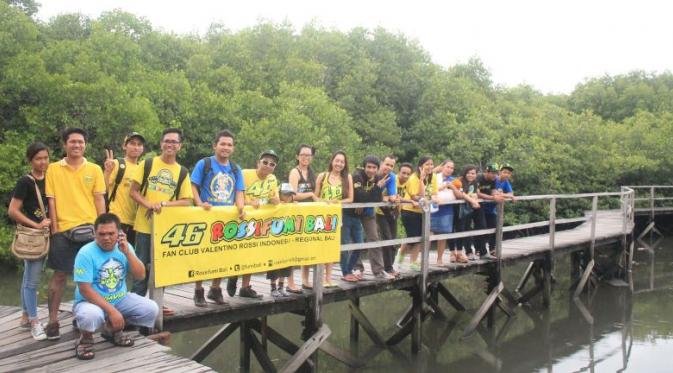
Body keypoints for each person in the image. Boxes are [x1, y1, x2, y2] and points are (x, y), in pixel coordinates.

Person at [45, 128, 106, 340]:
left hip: (90, 230)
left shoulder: (95, 169)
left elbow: (99, 200)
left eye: (80, 142)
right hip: (63, 230)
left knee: (90, 278)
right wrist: (55, 229)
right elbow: (51, 201)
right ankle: (52, 320)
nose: (77, 145)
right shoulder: (53, 169)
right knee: (60, 275)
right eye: (72, 142)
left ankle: (84, 318)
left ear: (85, 145)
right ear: (65, 144)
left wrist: (103, 228)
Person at [72, 213, 158, 360]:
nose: (106, 238)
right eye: (102, 234)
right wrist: (112, 311)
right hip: (90, 302)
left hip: (120, 299)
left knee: (151, 309)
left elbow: (141, 275)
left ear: (119, 233)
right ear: (94, 233)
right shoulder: (85, 253)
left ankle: (111, 330)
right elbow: (84, 289)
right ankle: (85, 339)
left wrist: (128, 253)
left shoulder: (124, 247)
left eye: (111, 233)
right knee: (90, 316)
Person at [129, 128, 193, 316]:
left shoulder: (182, 172)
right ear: (161, 143)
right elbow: (133, 192)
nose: (170, 145)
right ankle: (136, 306)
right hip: (144, 227)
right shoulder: (147, 164)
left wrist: (164, 204)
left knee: (163, 270)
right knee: (141, 269)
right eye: (167, 141)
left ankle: (157, 303)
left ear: (179, 146)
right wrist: (148, 204)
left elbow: (187, 200)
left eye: (174, 142)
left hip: (166, 230)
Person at [191, 130, 245, 306]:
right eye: (222, 144)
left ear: (233, 148)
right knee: (202, 256)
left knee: (223, 257)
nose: (226, 147)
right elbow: (193, 186)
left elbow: (239, 192)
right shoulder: (204, 163)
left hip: (227, 219)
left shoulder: (235, 169)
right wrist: (199, 204)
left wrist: (241, 207)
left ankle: (215, 289)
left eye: (229, 145)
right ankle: (198, 290)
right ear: (215, 145)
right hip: (207, 217)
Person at [8, 143, 51, 340]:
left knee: (27, 278)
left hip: (48, 235)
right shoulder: (26, 182)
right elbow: (13, 210)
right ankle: (34, 321)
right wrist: (36, 225)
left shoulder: (51, 177)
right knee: (32, 281)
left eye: (45, 157)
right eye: (38, 158)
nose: (42, 162)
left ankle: (25, 317)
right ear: (30, 160)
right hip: (34, 237)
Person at [227, 150, 281, 299]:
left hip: (259, 224)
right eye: (265, 162)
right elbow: (235, 196)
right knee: (238, 252)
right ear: (258, 163)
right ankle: (232, 275)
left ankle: (245, 287)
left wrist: (275, 200)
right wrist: (250, 202)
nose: (268, 165)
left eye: (272, 164)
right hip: (241, 219)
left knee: (252, 255)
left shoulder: (272, 179)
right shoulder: (245, 174)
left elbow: (275, 198)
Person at [315, 150, 354, 283]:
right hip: (321, 216)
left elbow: (350, 198)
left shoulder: (347, 177)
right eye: (337, 161)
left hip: (336, 217)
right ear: (332, 161)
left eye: (342, 162)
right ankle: (319, 278)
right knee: (320, 246)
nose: (339, 164)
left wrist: (337, 202)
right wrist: (323, 202)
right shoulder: (322, 176)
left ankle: (328, 278)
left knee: (331, 247)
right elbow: (315, 196)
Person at [351, 156, 392, 279]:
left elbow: (377, 199)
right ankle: (357, 268)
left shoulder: (379, 178)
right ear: (364, 167)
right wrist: (376, 189)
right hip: (354, 212)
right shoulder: (357, 176)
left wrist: (365, 200)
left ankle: (378, 270)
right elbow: (359, 196)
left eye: (374, 167)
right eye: (369, 167)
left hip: (368, 212)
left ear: (377, 168)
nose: (371, 170)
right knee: (356, 240)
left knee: (374, 238)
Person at [103, 132, 145, 246]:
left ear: (142, 148)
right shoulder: (117, 164)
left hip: (135, 223)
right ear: (124, 146)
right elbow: (103, 189)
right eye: (132, 143)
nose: (136, 147)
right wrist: (107, 171)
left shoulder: (142, 168)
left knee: (129, 258)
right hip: (116, 220)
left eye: (139, 144)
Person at [287, 144, 318, 292]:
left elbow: (317, 195)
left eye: (308, 155)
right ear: (297, 156)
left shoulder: (312, 173)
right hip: (296, 215)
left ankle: (305, 280)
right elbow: (292, 195)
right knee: (293, 249)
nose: (306, 157)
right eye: (303, 154)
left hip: (310, 215)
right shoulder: (295, 172)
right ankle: (290, 282)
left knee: (307, 248)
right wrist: (310, 195)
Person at [400, 156, 438, 271]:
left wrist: (434, 198)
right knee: (413, 237)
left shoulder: (433, 177)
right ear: (420, 166)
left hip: (423, 211)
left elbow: (434, 192)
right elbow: (416, 196)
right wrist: (421, 180)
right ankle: (399, 258)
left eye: (431, 164)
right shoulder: (413, 178)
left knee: (420, 237)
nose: (430, 167)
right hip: (409, 210)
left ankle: (413, 261)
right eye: (427, 164)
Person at [267, 183, 297, 297]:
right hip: (274, 240)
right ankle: (273, 287)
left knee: (286, 263)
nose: (288, 197)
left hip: (287, 241)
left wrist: (295, 205)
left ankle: (281, 286)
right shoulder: (273, 205)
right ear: (279, 194)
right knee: (274, 263)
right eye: (285, 194)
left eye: (290, 195)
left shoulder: (292, 206)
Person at [432, 160, 462, 265]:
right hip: (432, 210)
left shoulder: (455, 180)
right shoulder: (434, 177)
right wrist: (443, 187)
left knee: (443, 235)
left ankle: (439, 259)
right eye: (447, 167)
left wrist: (452, 187)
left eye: (452, 168)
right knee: (426, 235)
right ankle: (422, 260)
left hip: (447, 211)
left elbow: (459, 195)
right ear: (442, 167)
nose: (449, 169)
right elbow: (429, 190)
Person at [376, 155, 401, 277]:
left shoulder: (391, 177)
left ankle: (389, 267)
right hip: (378, 212)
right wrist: (383, 196)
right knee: (386, 238)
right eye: (387, 164)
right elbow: (372, 194)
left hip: (390, 211)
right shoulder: (374, 174)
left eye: (392, 165)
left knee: (393, 239)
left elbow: (392, 195)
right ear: (381, 163)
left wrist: (391, 197)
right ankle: (388, 268)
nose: (389, 167)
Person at [452, 165, 482, 262]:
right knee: (459, 230)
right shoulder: (459, 181)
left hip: (467, 210)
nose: (470, 175)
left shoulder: (474, 182)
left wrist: (474, 197)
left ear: (476, 174)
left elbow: (476, 193)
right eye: (468, 173)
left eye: (473, 173)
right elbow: (461, 194)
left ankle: (466, 252)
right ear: (464, 173)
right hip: (457, 209)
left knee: (466, 229)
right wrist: (472, 200)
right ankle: (456, 253)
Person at [477, 163, 505, 259]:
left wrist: (498, 195)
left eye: (496, 173)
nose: (494, 175)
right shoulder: (479, 178)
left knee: (494, 225)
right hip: (478, 206)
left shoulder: (493, 180)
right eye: (492, 173)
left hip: (488, 207)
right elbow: (477, 193)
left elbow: (493, 190)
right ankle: (482, 252)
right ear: (487, 172)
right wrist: (493, 197)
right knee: (482, 227)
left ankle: (492, 249)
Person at [394, 163, 416, 268]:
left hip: (399, 210)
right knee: (408, 235)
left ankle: (399, 260)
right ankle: (396, 261)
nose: (406, 176)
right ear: (399, 172)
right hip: (386, 211)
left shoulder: (410, 182)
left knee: (409, 235)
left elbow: (413, 195)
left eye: (408, 174)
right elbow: (395, 196)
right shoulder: (394, 180)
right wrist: (410, 201)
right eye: (403, 173)